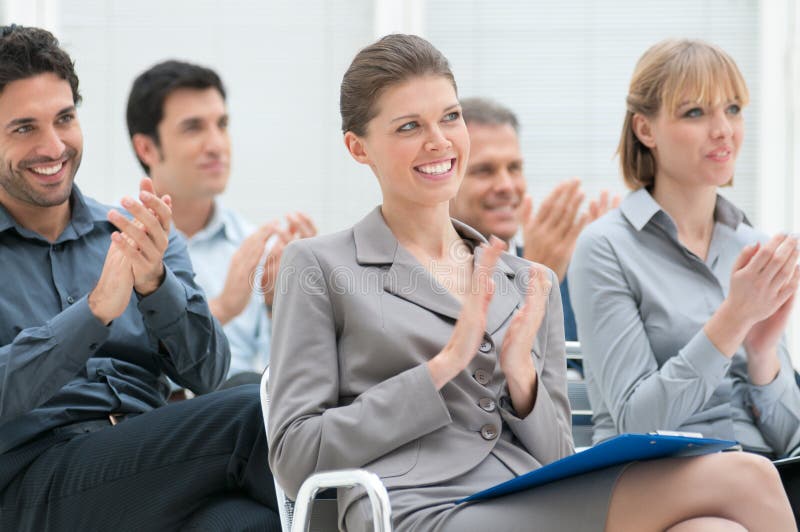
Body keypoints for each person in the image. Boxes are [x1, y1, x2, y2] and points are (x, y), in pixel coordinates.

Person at [267, 33, 794, 531]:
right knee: (748, 475)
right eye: (409, 127)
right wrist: (443, 367)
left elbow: (559, 458)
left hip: (523, 494)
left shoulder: (528, 278)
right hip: (413, 509)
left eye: (450, 117)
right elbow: (294, 459)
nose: (439, 141)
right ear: (359, 148)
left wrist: (522, 380)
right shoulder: (319, 265)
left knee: (711, 526)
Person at [0, 25, 279, 530]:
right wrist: (92, 314)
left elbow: (207, 373)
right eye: (24, 128)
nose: (54, 145)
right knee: (256, 409)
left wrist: (156, 285)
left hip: (154, 466)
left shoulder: (138, 234)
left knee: (254, 522)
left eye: (65, 118)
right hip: (36, 486)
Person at [569, 38, 800, 519]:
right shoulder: (605, 248)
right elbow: (637, 422)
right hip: (657, 484)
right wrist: (732, 320)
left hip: (763, 480)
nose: (723, 131)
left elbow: (791, 439)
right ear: (645, 128)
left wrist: (762, 357)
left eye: (733, 109)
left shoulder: (750, 247)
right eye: (695, 112)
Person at [126, 60, 317, 387]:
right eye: (193, 128)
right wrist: (224, 308)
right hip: (162, 425)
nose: (217, 145)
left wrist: (282, 306)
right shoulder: (115, 247)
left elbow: (289, 387)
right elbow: (121, 368)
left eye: (222, 124)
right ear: (146, 148)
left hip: (249, 419)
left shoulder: (254, 246)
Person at [449, 97, 619, 341]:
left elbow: (583, 372)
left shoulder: (562, 269)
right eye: (484, 170)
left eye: (514, 168)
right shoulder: (422, 279)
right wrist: (529, 287)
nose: (507, 185)